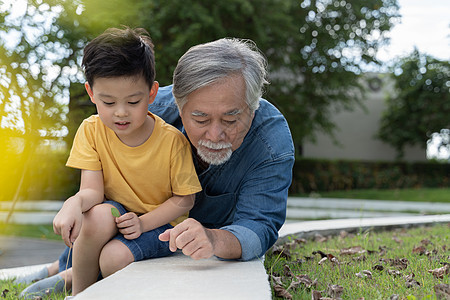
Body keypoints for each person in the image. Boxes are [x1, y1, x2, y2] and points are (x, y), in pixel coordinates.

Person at [18, 36, 295, 296]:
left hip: (181, 239)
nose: (214, 135)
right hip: (135, 222)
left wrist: (214, 239)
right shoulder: (148, 111)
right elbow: (107, 176)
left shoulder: (271, 143)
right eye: (199, 119)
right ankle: (63, 268)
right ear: (177, 102)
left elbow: (260, 226)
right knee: (102, 216)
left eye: (230, 120)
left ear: (253, 105)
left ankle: (70, 274)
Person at [20, 27, 202, 298]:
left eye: (133, 101)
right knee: (94, 217)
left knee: (112, 258)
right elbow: (92, 192)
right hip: (117, 216)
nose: (120, 112)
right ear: (91, 93)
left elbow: (184, 200)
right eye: (108, 101)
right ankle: (79, 293)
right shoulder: (91, 130)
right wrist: (74, 204)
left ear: (152, 94)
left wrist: (143, 223)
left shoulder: (172, 141)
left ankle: (71, 276)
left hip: (160, 226)